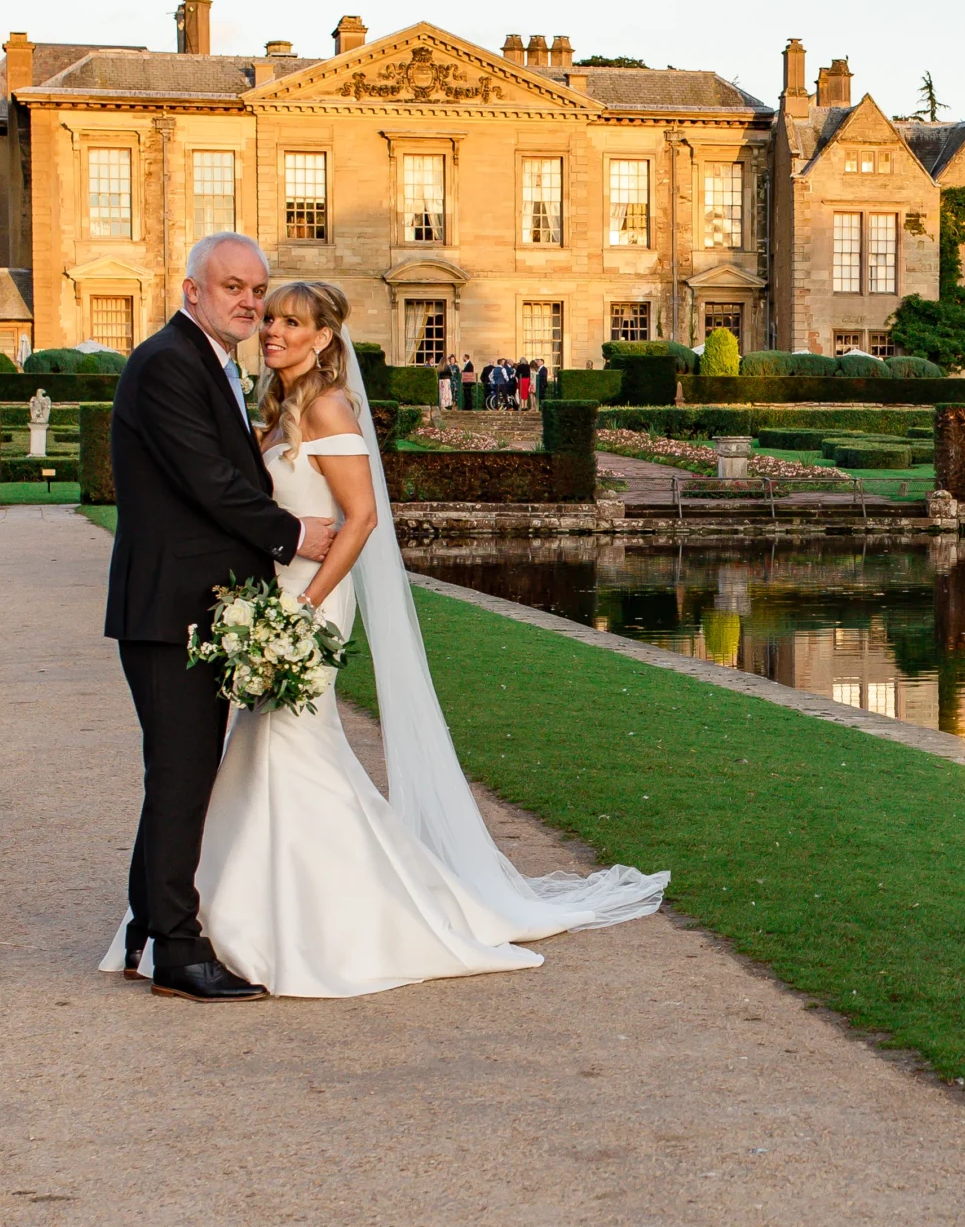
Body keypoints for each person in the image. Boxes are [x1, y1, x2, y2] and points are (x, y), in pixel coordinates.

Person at [101, 279, 668, 997]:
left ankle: (317, 924)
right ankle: (203, 921)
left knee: (288, 753)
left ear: (323, 339)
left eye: (288, 320)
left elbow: (362, 518)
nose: (270, 327)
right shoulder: (278, 408)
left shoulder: (331, 406)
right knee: (249, 760)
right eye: (266, 314)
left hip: (307, 602)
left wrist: (304, 604)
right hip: (275, 602)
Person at [104, 232, 337, 1003]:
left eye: (256, 290)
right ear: (191, 288)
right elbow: (207, 480)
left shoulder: (214, 363)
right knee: (180, 775)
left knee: (178, 771)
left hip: (191, 606)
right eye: (232, 285)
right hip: (170, 608)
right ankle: (176, 947)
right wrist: (292, 532)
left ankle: (147, 927)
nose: (249, 301)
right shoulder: (169, 362)